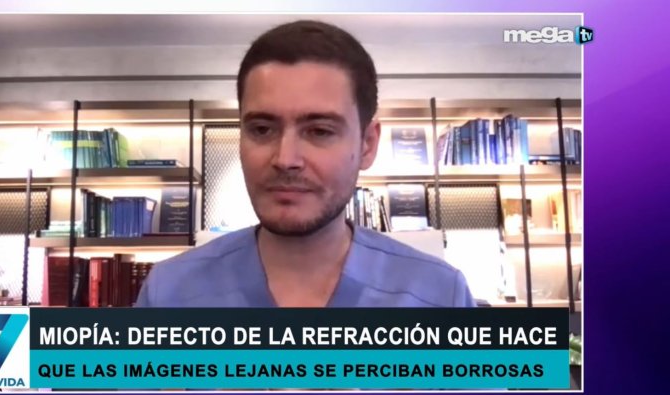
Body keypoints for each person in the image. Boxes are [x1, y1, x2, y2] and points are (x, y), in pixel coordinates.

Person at [136, 20, 475, 308]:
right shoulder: (168, 294)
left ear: (367, 144)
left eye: (319, 131)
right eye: (262, 129)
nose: (286, 160)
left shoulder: (441, 296)